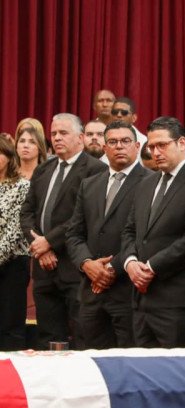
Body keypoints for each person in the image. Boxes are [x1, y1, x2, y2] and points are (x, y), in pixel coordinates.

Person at [120, 116, 185, 348]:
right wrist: (130, 262)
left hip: (176, 301)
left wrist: (151, 267)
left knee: (175, 369)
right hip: (141, 299)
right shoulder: (146, 183)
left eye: (162, 145)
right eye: (151, 147)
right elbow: (130, 230)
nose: (156, 152)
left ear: (182, 143)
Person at [20, 113, 107, 349]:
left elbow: (85, 216)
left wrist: (49, 241)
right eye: (54, 133)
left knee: (81, 335)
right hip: (43, 266)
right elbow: (26, 213)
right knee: (47, 337)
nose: (57, 138)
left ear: (80, 137)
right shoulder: (44, 168)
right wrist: (40, 247)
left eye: (63, 133)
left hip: (74, 266)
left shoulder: (96, 169)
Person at [65, 121, 153, 349]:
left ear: (137, 146)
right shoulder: (89, 184)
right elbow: (74, 233)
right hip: (90, 291)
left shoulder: (152, 183)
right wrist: (87, 264)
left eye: (125, 141)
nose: (119, 146)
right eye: (112, 142)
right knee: (90, 360)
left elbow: (145, 237)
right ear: (104, 148)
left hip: (128, 291)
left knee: (127, 361)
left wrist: (111, 268)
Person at [0, 136, 30, 349]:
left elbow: (16, 230)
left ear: (9, 157)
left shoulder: (22, 186)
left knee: (10, 325)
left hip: (13, 263)